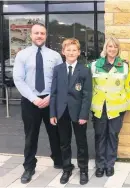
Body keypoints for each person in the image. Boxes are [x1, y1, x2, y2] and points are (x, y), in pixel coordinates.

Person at [13, 23, 63, 184]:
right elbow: (18, 80)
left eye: (42, 33)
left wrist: (50, 97)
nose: (39, 36)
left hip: (51, 101)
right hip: (30, 101)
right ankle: (29, 167)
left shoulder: (55, 56)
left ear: (46, 35)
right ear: (31, 35)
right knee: (31, 136)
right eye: (36, 33)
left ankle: (58, 159)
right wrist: (34, 99)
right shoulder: (22, 55)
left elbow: (60, 80)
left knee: (55, 133)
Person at [89, 36, 130, 178]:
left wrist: (126, 106)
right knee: (100, 136)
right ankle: (100, 165)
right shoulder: (95, 65)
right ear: (105, 48)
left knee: (113, 136)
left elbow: (128, 88)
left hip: (117, 109)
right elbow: (91, 87)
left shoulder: (124, 66)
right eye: (110, 46)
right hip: (99, 108)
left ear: (118, 49)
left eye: (115, 47)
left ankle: (110, 165)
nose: (112, 49)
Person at [50, 38, 92, 185]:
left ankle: (84, 170)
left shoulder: (85, 70)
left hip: (78, 113)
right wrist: (52, 113)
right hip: (62, 112)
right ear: (63, 52)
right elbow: (53, 93)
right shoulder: (58, 70)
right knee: (64, 143)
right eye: (68, 50)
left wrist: (84, 114)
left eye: (74, 50)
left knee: (81, 143)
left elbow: (87, 95)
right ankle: (67, 169)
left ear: (79, 52)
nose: (71, 52)